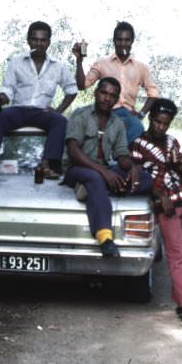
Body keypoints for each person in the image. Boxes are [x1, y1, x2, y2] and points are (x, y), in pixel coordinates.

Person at [130, 98, 182, 327]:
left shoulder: (173, 142)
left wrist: (179, 165)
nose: (161, 127)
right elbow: (136, 180)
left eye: (166, 124)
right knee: (177, 256)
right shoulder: (138, 145)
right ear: (151, 119)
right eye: (158, 122)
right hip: (166, 206)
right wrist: (158, 195)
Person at [0, 21, 78, 180]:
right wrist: (0, 99)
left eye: (43, 40)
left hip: (42, 111)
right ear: (28, 41)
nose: (39, 44)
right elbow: (7, 88)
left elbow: (71, 90)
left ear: (48, 42)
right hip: (18, 110)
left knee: (60, 120)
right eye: (35, 39)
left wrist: (58, 110)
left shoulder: (58, 66)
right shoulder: (16, 61)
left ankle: (46, 165)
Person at [63, 77, 153, 257]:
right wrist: (105, 173)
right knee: (95, 177)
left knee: (145, 179)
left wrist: (132, 167)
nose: (107, 99)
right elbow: (73, 151)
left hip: (102, 172)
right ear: (96, 93)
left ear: (117, 98)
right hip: (77, 169)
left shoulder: (118, 123)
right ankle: (104, 237)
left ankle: (92, 190)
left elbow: (121, 155)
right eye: (103, 93)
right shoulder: (80, 115)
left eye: (112, 96)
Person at [72, 21, 159, 144]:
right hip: (105, 113)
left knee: (137, 126)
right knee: (78, 118)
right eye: (119, 40)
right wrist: (79, 61)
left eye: (127, 40)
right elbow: (82, 85)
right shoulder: (102, 64)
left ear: (132, 41)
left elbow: (153, 93)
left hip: (127, 115)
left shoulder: (141, 67)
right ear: (114, 41)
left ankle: (110, 156)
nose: (123, 44)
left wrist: (141, 114)